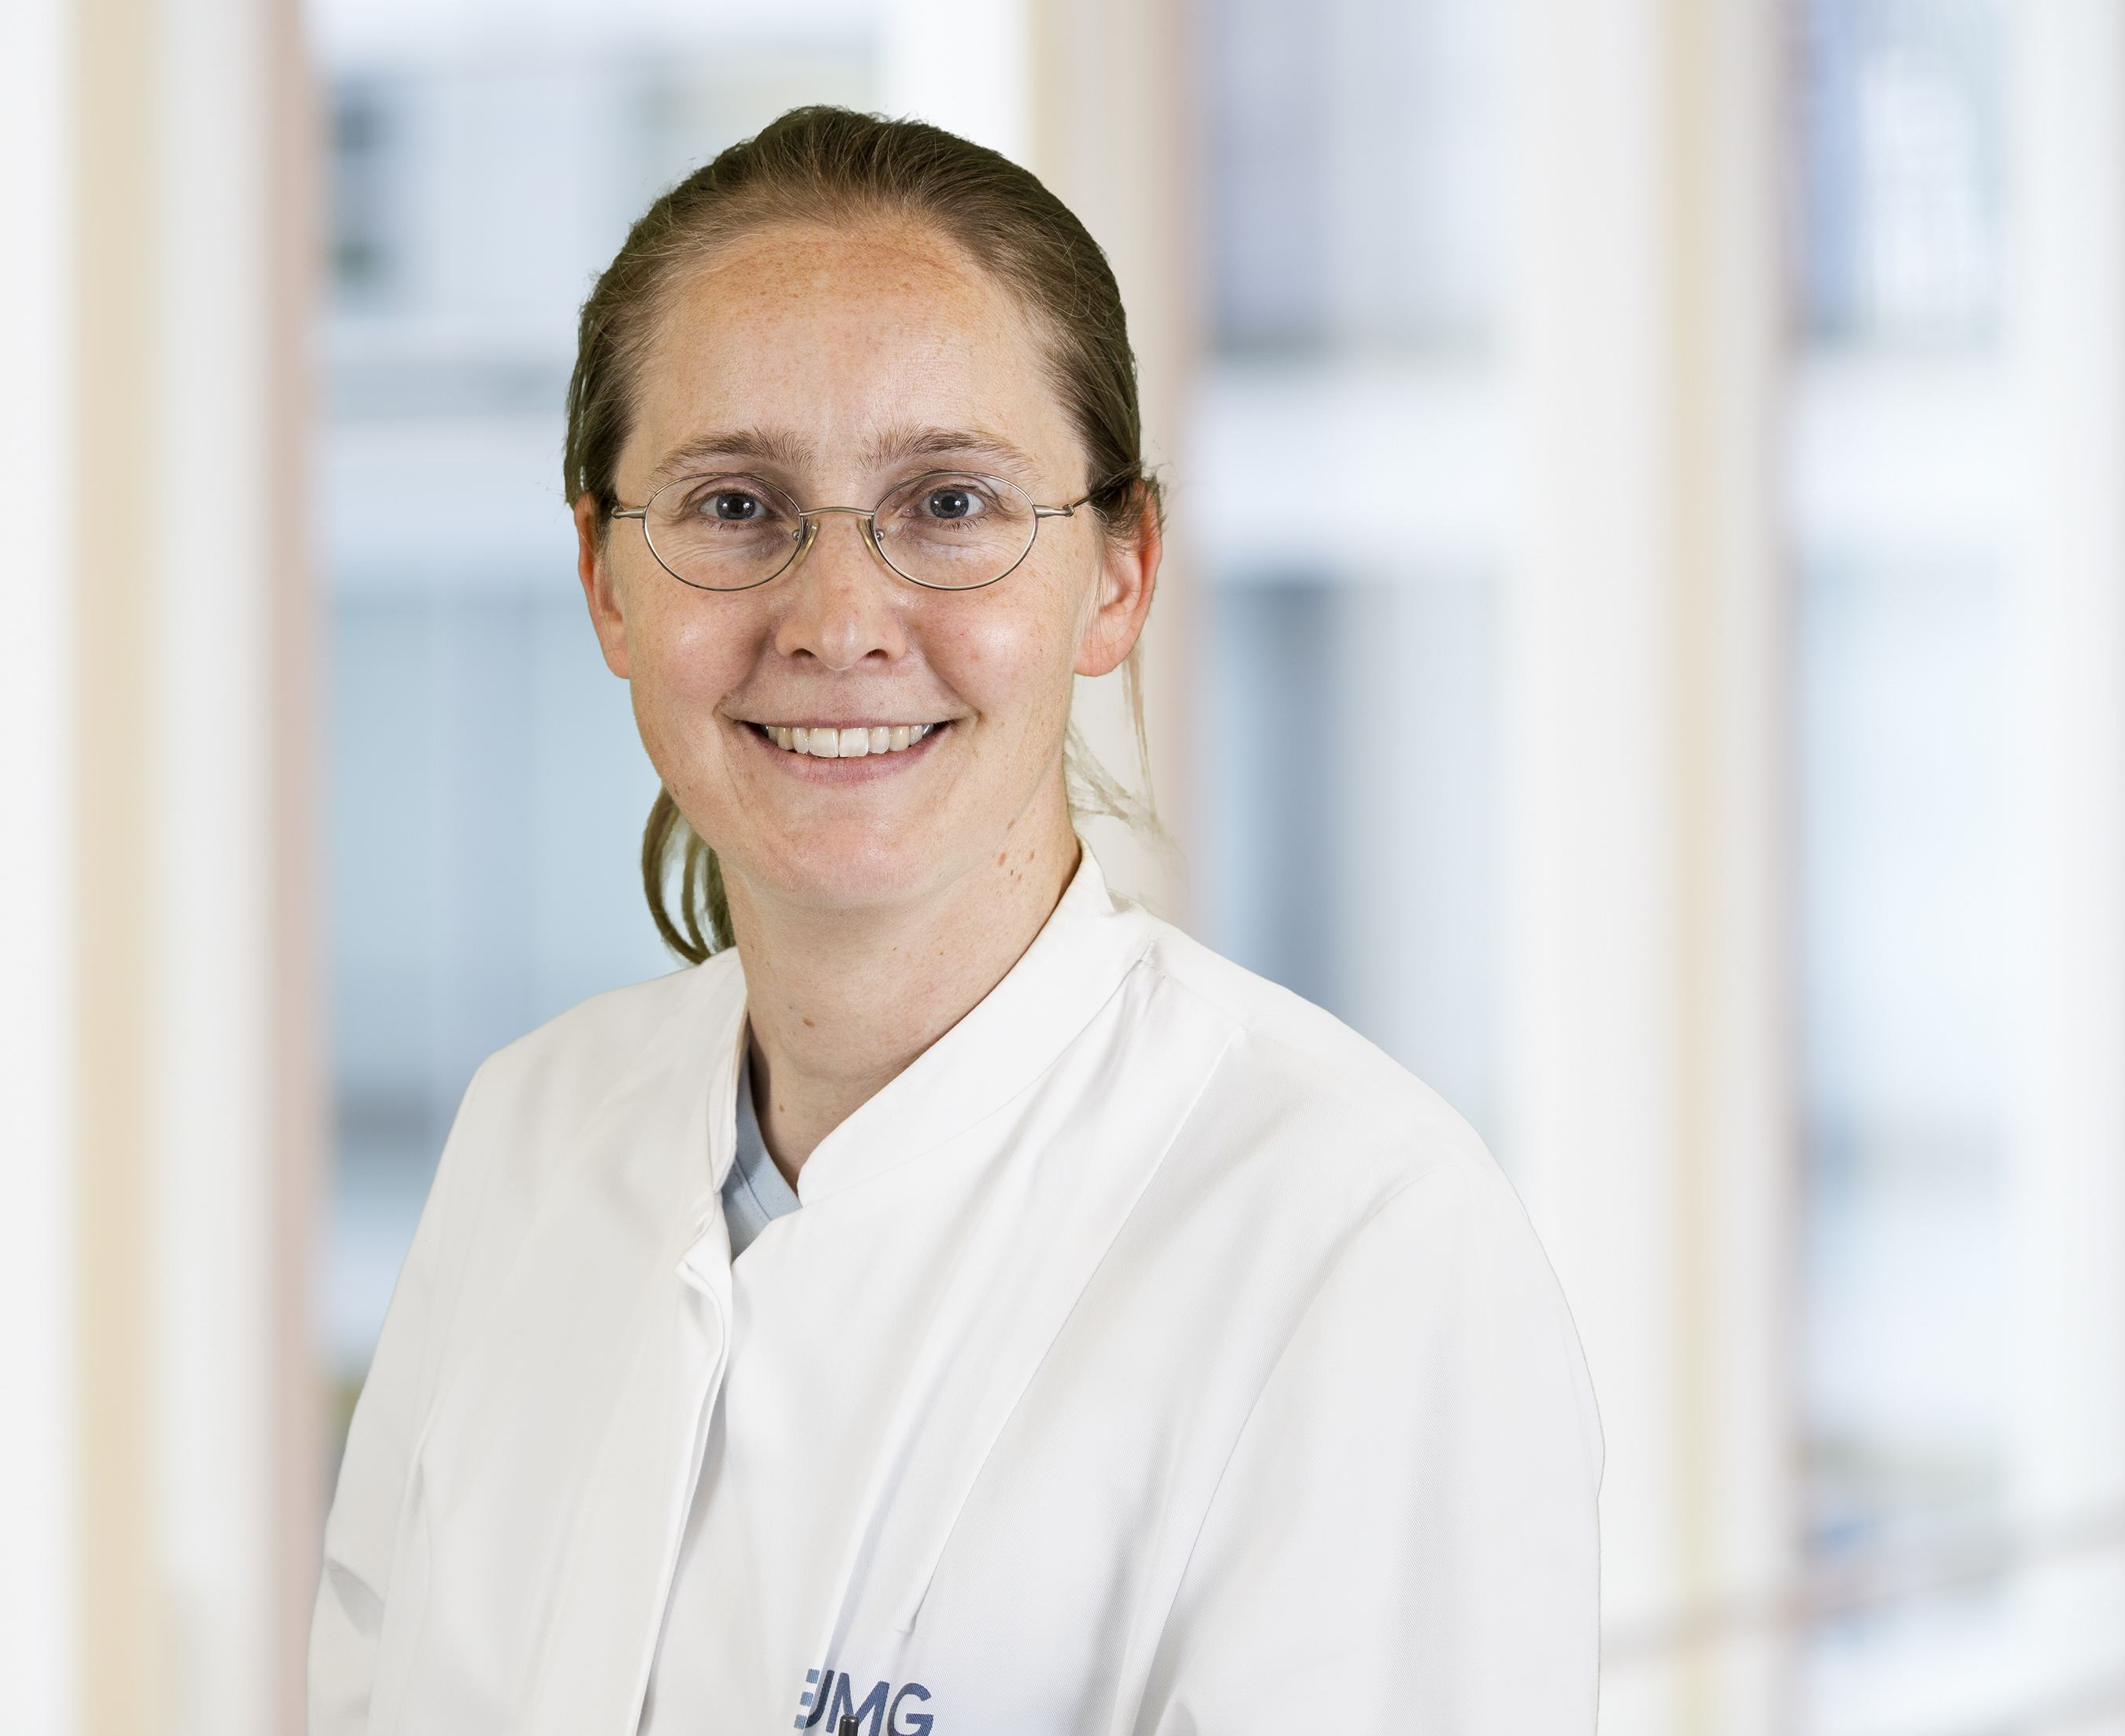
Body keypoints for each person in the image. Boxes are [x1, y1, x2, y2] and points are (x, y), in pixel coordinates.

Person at [310, 106, 1600, 1735]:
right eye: (733, 506)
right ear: (603, 578)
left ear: (1118, 573)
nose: (839, 619)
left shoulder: (1355, 1244)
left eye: (950, 503)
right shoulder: (529, 1135)